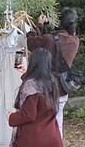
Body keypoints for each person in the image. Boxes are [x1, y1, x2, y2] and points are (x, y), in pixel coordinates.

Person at [27, 8, 79, 137]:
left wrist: (39, 25)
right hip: (63, 86)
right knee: (58, 119)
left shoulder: (49, 39)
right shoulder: (75, 41)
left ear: (59, 21)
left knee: (42, 119)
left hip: (46, 85)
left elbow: (31, 42)